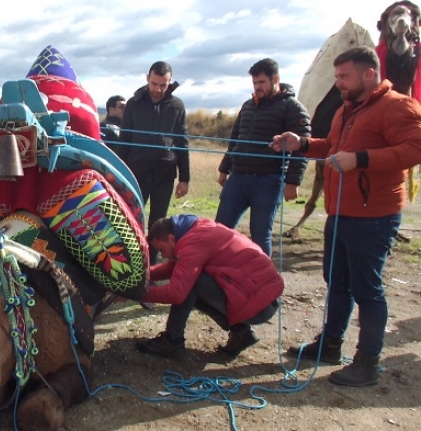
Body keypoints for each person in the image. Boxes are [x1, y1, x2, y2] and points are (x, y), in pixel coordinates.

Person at [271, 46, 421, 387]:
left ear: (369, 74)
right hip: (340, 211)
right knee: (336, 281)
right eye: (337, 76)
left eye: (344, 76)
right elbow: (334, 147)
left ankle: (367, 362)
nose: (337, 83)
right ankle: (330, 345)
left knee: (367, 288)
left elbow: (415, 149)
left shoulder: (398, 106)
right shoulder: (346, 110)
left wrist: (361, 159)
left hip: (374, 216)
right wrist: (302, 144)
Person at [135, 215, 283, 361]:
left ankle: (172, 342)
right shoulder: (195, 230)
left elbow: (176, 293)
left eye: (162, 249)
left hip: (260, 304)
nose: (163, 255)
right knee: (189, 278)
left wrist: (136, 293)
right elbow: (174, 267)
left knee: (189, 283)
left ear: (172, 238)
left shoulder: (194, 241)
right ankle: (241, 332)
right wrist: (139, 277)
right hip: (261, 297)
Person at [215, 58, 310, 256]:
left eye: (262, 83)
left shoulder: (292, 107)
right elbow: (235, 140)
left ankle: (262, 281)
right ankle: (217, 276)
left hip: (269, 180)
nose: (257, 87)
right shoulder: (248, 106)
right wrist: (225, 169)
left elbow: (302, 148)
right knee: (219, 229)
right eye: (255, 83)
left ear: (275, 78)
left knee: (260, 235)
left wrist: (293, 182)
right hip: (239, 177)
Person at [117, 61, 190, 264]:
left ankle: (151, 266)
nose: (158, 89)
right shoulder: (134, 104)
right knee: (130, 218)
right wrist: (118, 173)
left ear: (169, 82)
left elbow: (182, 142)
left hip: (164, 174)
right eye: (155, 83)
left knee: (159, 223)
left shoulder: (177, 106)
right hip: (136, 173)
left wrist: (185, 178)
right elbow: (124, 140)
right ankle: (129, 262)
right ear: (147, 79)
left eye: (163, 85)